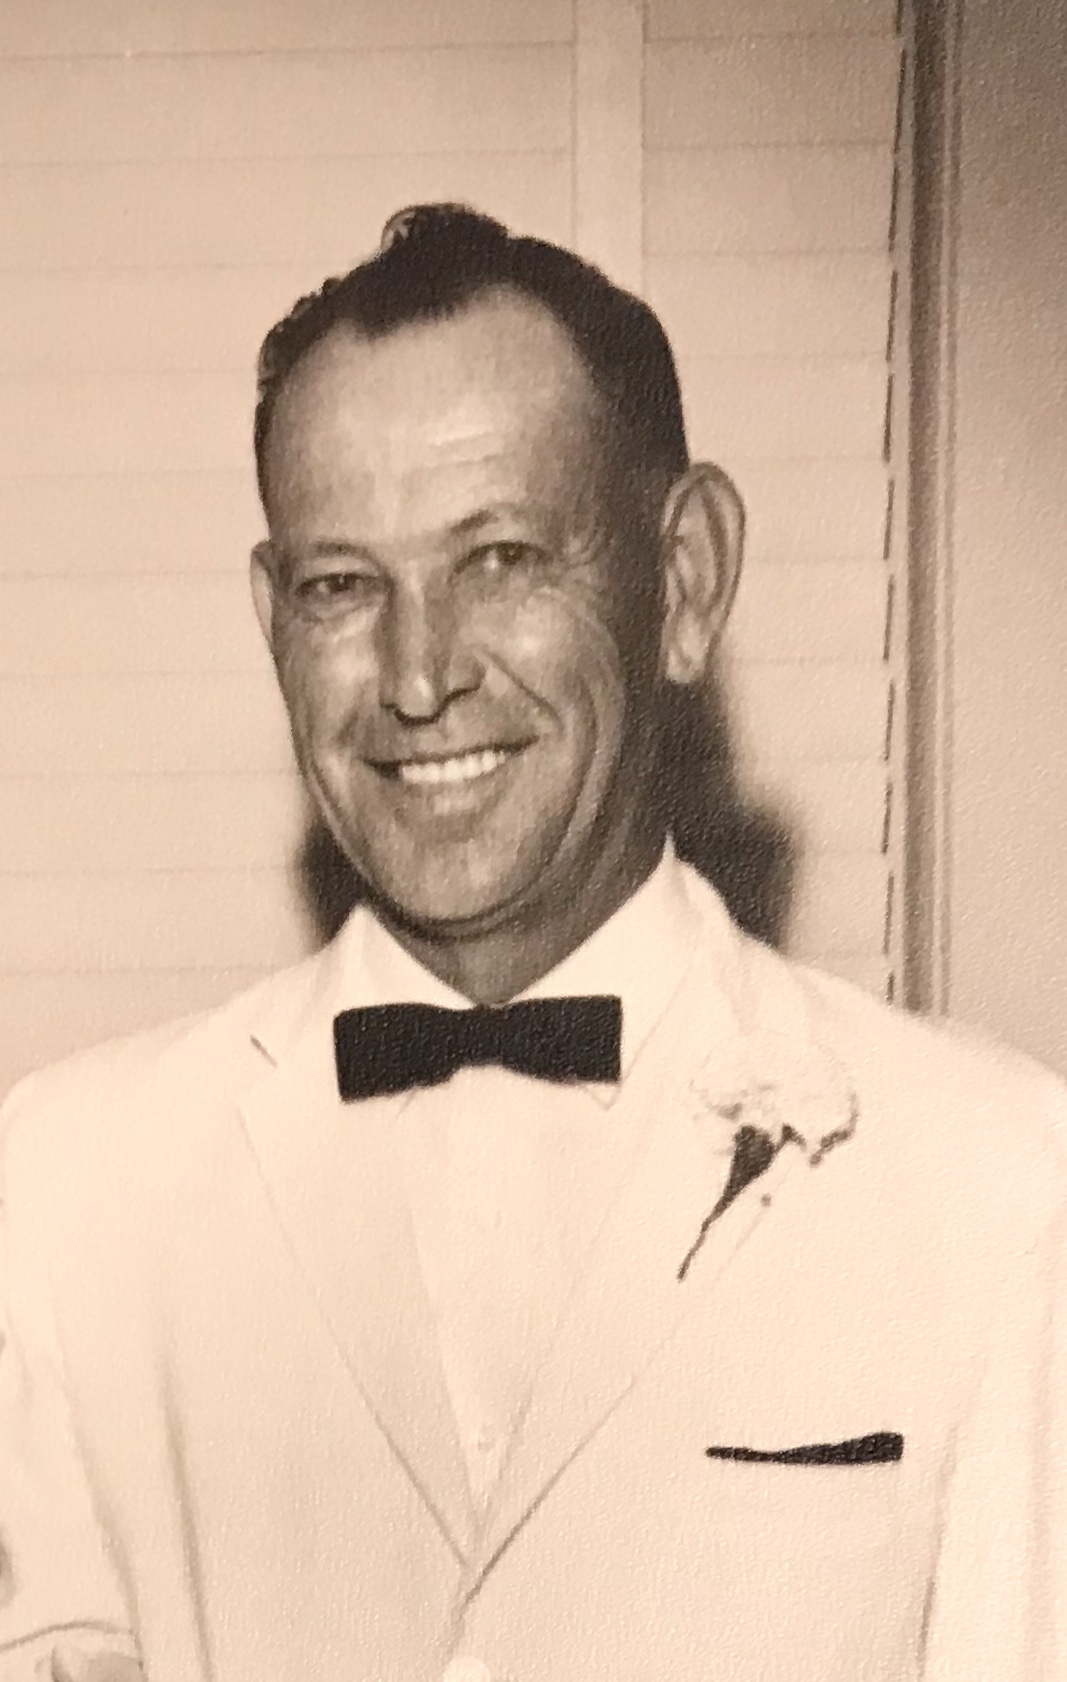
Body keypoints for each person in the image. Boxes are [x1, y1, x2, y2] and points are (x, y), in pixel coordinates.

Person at [0, 204, 1065, 1682]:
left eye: (499, 557)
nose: (418, 675)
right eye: (340, 585)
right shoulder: (61, 1196)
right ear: (273, 622)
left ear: (683, 580)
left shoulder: (1001, 1186)